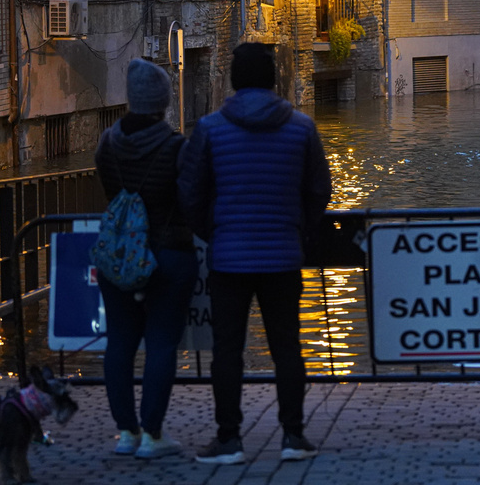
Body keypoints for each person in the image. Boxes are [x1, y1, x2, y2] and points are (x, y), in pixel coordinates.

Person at [178, 42, 332, 464]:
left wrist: (214, 232)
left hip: (229, 257)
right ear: (274, 80)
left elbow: (190, 194)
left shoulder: (210, 129)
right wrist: (299, 228)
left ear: (233, 80)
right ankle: (293, 437)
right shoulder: (301, 128)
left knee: (227, 350)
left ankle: (229, 439)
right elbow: (320, 189)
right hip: (283, 255)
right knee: (288, 348)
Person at [93, 58, 197, 459]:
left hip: (119, 256)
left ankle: (126, 433)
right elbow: (189, 200)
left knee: (119, 342)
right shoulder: (177, 147)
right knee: (161, 343)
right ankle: (153, 434)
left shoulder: (107, 144)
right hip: (170, 255)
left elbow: (109, 193)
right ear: (163, 103)